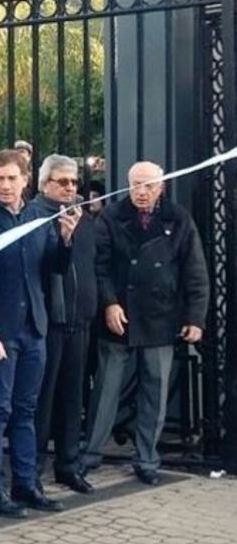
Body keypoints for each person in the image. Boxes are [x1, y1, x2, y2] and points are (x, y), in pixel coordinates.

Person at [82, 161, 208, 485]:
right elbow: (100, 265)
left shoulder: (178, 218)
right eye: (135, 185)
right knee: (106, 388)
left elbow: (194, 270)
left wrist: (195, 318)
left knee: (155, 389)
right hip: (119, 316)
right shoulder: (111, 216)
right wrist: (109, 303)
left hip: (160, 317)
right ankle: (91, 454)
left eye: (148, 185)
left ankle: (147, 459)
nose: (141, 192)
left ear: (161, 186)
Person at [0, 149, 79, 518]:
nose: (5, 185)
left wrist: (66, 241)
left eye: (11, 178)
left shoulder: (39, 216)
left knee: (26, 410)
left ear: (26, 181)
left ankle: (26, 482)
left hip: (34, 327)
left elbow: (51, 266)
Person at [29, 155, 98, 494]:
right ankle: (34, 469)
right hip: (49, 320)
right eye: (62, 182)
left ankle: (68, 464)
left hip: (79, 319)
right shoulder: (36, 215)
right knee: (44, 400)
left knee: (73, 398)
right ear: (45, 184)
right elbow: (46, 264)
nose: (70, 188)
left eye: (73, 182)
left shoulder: (84, 216)